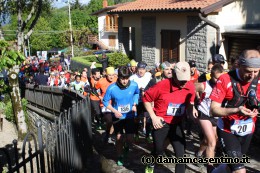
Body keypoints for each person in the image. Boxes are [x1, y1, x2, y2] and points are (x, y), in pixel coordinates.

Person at [209, 49, 260, 173]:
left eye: (256, 71)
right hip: (228, 130)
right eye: (248, 71)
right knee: (239, 170)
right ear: (239, 65)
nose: (252, 76)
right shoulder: (225, 79)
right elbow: (213, 110)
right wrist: (237, 110)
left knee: (229, 166)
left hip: (248, 130)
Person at [143, 62, 197, 173]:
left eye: (185, 80)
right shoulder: (162, 85)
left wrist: (193, 113)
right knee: (159, 150)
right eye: (181, 80)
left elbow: (190, 104)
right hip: (161, 122)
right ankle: (151, 161)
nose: (183, 83)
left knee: (181, 155)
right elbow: (146, 98)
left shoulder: (190, 86)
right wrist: (153, 117)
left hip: (176, 123)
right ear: (174, 75)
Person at [103, 66, 139, 166]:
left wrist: (135, 104)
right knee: (119, 137)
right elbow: (105, 101)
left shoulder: (134, 85)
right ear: (118, 77)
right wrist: (114, 111)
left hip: (130, 115)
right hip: (117, 116)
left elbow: (137, 94)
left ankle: (127, 147)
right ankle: (120, 156)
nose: (124, 81)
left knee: (130, 139)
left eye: (126, 78)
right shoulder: (112, 88)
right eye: (122, 78)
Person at [195, 64, 224, 171]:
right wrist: (193, 105)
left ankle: (199, 153)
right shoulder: (204, 85)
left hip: (216, 115)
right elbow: (190, 89)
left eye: (220, 78)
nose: (218, 80)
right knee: (212, 142)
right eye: (215, 78)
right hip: (204, 114)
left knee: (210, 140)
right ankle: (210, 168)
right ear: (210, 75)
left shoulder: (223, 86)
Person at [95, 67, 117, 143]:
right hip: (105, 104)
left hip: (115, 104)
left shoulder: (116, 80)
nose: (111, 77)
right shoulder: (101, 81)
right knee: (109, 120)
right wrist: (99, 96)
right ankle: (108, 134)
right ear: (106, 75)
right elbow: (93, 89)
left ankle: (109, 135)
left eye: (113, 75)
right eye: (109, 75)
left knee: (114, 121)